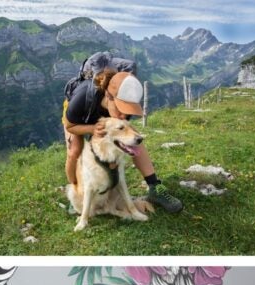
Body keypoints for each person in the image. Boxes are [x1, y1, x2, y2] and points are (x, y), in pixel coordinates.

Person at [62, 69, 183, 213]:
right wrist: (92, 129)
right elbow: (70, 126)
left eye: (128, 110)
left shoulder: (124, 107)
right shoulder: (83, 96)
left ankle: (155, 187)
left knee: (134, 139)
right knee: (74, 151)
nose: (124, 115)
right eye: (121, 108)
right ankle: (76, 193)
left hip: (102, 119)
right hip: (80, 120)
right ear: (108, 95)